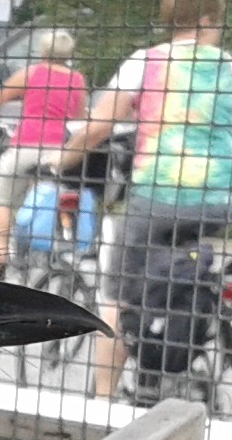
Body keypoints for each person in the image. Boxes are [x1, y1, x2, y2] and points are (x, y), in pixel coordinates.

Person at [50, 0, 232, 397]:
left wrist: (58, 161)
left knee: (117, 298)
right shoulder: (229, 68)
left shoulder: (146, 62)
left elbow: (98, 127)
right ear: (209, 20)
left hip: (156, 199)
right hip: (219, 202)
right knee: (207, 272)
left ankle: (103, 402)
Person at [0, 29, 88, 271]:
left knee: (2, 196)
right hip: (60, 151)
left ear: (43, 51)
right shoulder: (77, 80)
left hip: (27, 145)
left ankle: (0, 253)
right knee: (55, 192)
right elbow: (79, 115)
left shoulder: (32, 73)